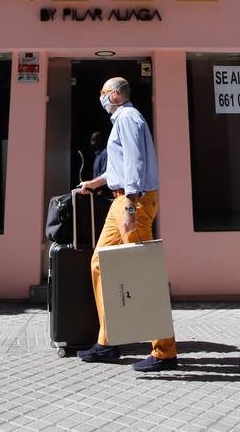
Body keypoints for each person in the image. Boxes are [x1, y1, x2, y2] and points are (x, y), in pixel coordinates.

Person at [75, 77, 178, 372]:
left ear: (117, 95)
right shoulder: (121, 120)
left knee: (142, 272)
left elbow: (136, 162)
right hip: (120, 200)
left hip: (134, 201)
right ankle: (108, 342)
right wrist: (95, 183)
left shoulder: (129, 117)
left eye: (104, 93)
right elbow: (119, 166)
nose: (102, 98)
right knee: (100, 264)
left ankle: (164, 351)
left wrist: (131, 203)